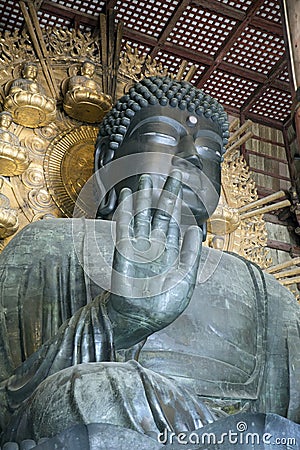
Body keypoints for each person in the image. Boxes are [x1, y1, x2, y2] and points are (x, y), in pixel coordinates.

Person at [0, 76, 299, 448]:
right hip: (91, 422)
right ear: (108, 159)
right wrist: (114, 321)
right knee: (86, 393)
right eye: (162, 137)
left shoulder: (268, 296)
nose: (191, 156)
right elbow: (7, 409)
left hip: (237, 437)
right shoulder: (48, 246)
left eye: (209, 152)